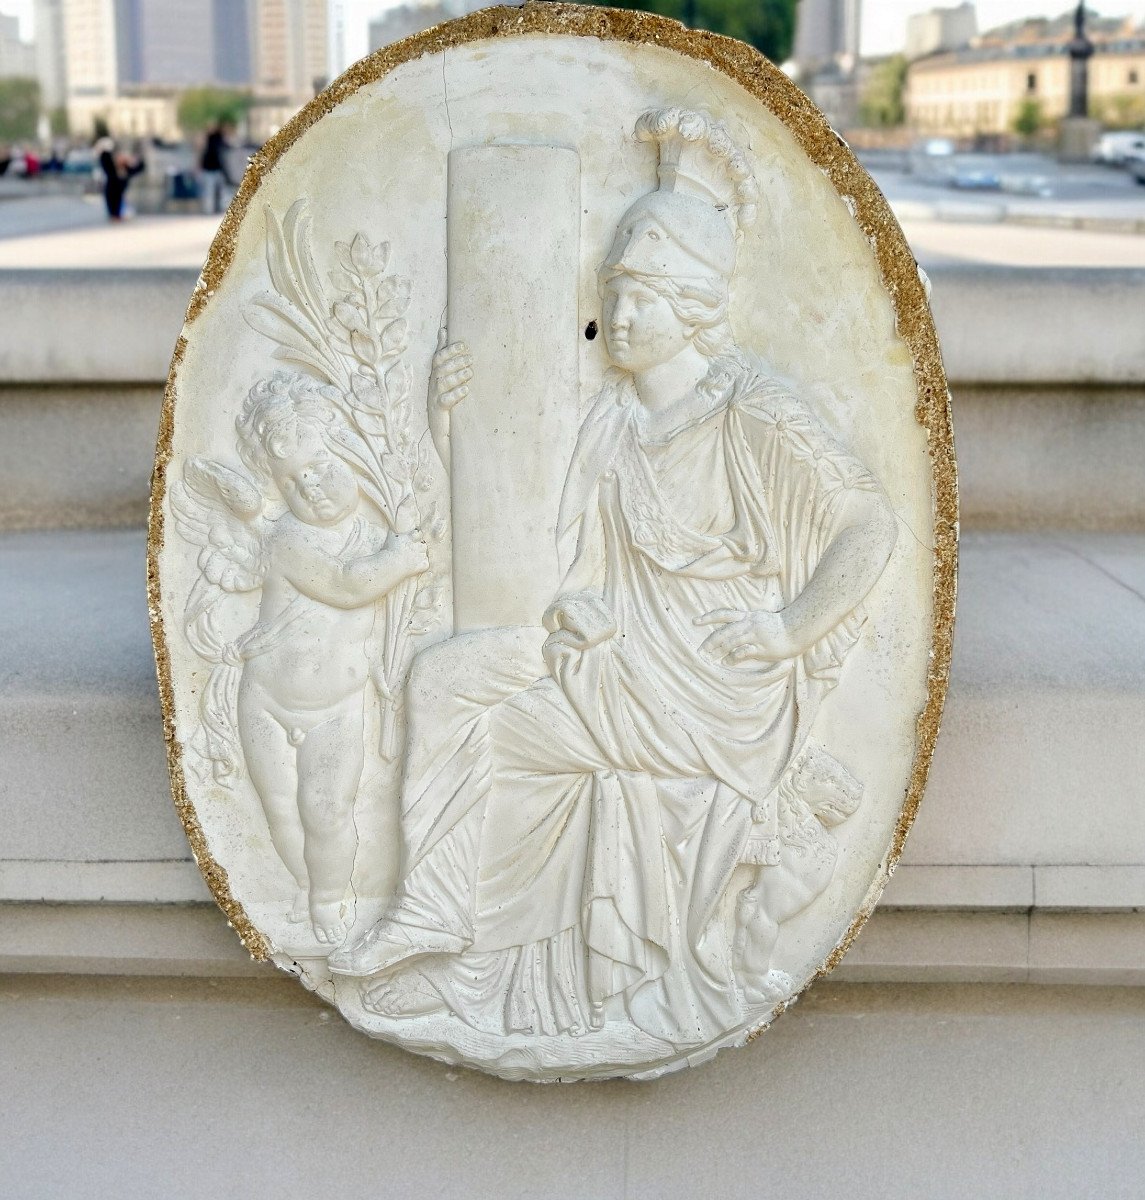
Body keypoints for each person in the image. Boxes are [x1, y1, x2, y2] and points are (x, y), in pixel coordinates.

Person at [329, 108, 897, 1061]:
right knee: (444, 676)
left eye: (637, 297)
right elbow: (555, 557)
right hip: (623, 663)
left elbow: (867, 522)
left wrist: (787, 630)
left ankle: (471, 956)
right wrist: (444, 427)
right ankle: (432, 919)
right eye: (611, 295)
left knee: (495, 730)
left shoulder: (752, 409)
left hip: (713, 692)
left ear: (692, 304)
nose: (616, 317)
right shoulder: (615, 420)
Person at [172, 373, 430, 945]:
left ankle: (330, 898)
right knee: (282, 810)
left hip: (336, 706)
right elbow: (345, 586)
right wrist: (403, 559)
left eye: (320, 468)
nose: (308, 486)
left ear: (352, 461)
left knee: (327, 807)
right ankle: (299, 885)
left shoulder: (372, 532)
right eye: (292, 481)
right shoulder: (288, 538)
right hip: (265, 699)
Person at [96, 137, 143, 220]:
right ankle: (116, 215)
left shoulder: (124, 168)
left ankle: (117, 215)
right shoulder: (109, 165)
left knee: (119, 205)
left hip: (119, 189)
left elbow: (137, 168)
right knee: (114, 205)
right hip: (114, 188)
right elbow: (106, 162)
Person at [199, 121, 236, 214]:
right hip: (211, 168)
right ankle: (210, 210)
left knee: (215, 191)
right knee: (212, 190)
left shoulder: (216, 138)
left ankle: (212, 209)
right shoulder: (214, 138)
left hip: (215, 168)